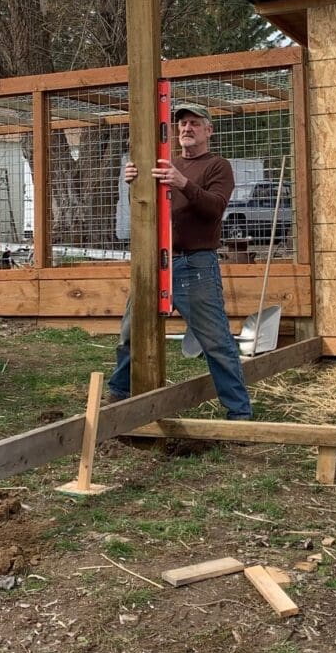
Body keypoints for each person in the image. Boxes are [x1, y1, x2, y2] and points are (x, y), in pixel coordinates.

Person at [107, 103, 253, 419]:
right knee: (131, 332)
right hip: (156, 263)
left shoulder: (217, 166)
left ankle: (239, 414)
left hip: (195, 265)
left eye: (195, 124)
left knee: (215, 340)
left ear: (208, 130)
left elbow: (215, 208)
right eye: (182, 124)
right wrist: (134, 183)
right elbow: (147, 210)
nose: (186, 128)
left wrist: (182, 183)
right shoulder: (166, 165)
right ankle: (118, 397)